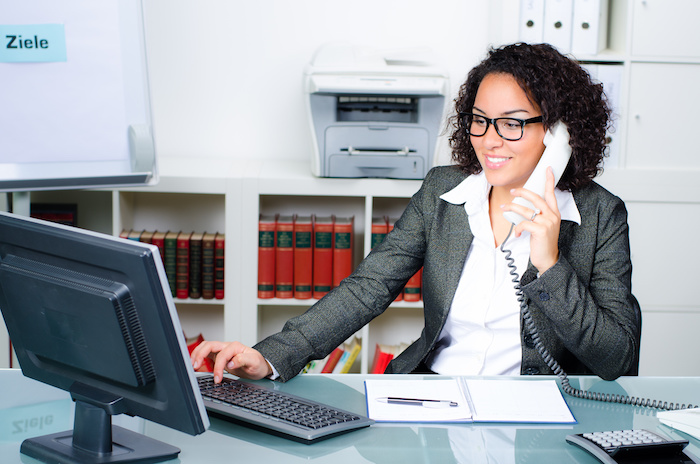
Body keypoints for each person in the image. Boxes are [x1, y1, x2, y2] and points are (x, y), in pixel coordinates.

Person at [191, 42, 641, 384]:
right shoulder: (443, 192)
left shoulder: (600, 216)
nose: (488, 139)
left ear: (560, 132)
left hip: (535, 415)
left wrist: (550, 264)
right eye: (480, 119)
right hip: (432, 399)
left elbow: (619, 357)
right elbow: (368, 288)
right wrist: (270, 356)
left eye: (513, 122)